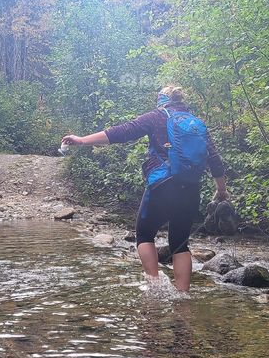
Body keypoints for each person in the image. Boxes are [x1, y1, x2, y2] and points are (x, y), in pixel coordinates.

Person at [61, 86, 228, 292]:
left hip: (163, 184)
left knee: (145, 234)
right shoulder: (196, 124)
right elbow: (215, 159)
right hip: (191, 188)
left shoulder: (157, 116)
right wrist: (221, 191)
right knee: (179, 244)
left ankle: (154, 288)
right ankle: (183, 299)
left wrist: (82, 140)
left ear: (161, 100)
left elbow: (122, 132)